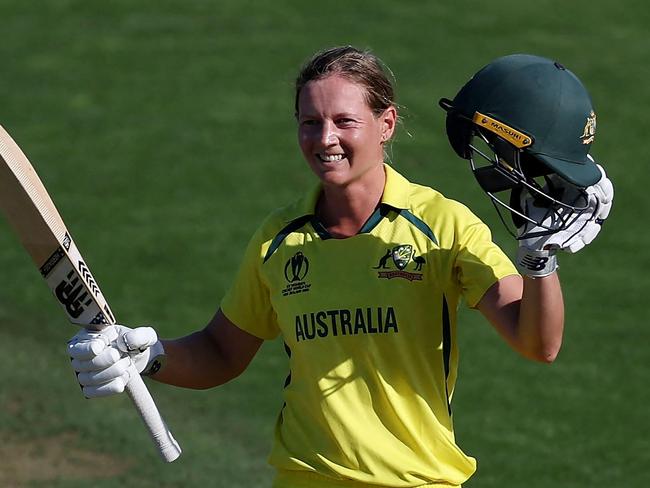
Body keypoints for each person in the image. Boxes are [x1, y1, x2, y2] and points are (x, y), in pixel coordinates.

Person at [67, 47, 613, 487]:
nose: (324, 139)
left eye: (344, 121)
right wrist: (152, 357)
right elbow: (220, 353)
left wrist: (540, 264)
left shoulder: (443, 226)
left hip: (414, 480)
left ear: (386, 124)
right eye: (310, 122)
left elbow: (538, 342)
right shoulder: (279, 239)